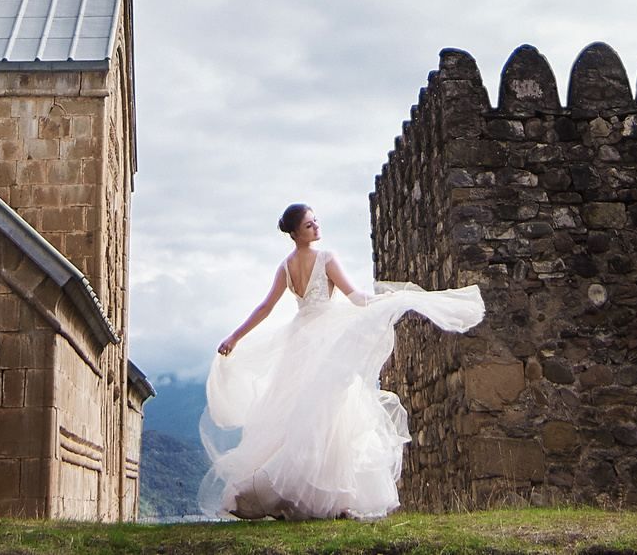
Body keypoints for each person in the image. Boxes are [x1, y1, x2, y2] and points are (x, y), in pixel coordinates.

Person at [197, 203, 485, 520]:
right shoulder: (324, 259)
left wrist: (235, 337)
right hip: (319, 343)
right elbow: (353, 298)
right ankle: (323, 498)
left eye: (316, 221)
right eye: (309, 225)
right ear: (294, 233)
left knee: (313, 416)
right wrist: (234, 337)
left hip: (300, 343)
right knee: (324, 416)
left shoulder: (288, 266)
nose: (316, 227)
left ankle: (314, 496)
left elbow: (267, 308)